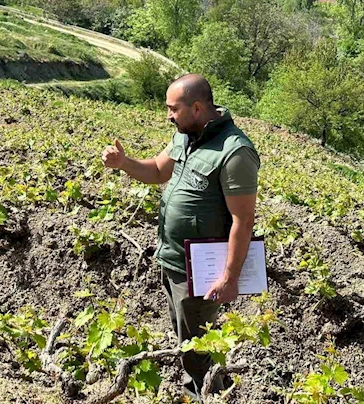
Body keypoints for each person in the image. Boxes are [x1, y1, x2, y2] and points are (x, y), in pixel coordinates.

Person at [101, 74, 259, 400]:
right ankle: (206, 390)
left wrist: (230, 278)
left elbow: (243, 221)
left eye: (173, 109)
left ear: (197, 108)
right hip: (173, 260)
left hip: (200, 274)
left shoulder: (234, 152)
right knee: (186, 340)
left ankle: (208, 395)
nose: (168, 116)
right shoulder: (186, 136)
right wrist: (124, 163)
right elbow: (158, 171)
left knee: (197, 351)